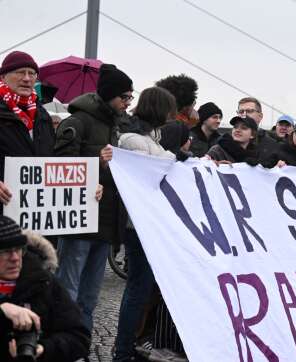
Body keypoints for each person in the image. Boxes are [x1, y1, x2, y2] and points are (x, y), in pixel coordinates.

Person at [54, 63, 133, 331]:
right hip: (79, 222)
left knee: (89, 297)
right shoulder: (78, 121)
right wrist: (95, 161)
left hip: (105, 223)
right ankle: (61, 346)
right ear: (110, 94)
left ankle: (80, 346)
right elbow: (60, 164)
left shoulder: (118, 125)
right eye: (125, 97)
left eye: (130, 97)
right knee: (68, 291)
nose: (128, 103)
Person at [113, 87, 179, 362]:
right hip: (135, 225)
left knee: (144, 287)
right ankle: (124, 348)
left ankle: (133, 343)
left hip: (147, 224)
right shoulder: (132, 139)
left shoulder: (150, 137)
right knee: (138, 287)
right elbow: (157, 164)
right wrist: (177, 159)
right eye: (168, 109)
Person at [0, 216, 90, 362]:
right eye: (5, 251)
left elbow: (79, 338)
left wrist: (44, 349)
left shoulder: (43, 282)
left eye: (18, 249)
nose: (15, 258)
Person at [0, 51, 55, 213]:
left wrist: (85, 185)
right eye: (20, 72)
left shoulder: (43, 115)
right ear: (3, 77)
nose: (27, 78)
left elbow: (55, 157)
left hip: (36, 215)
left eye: (32, 73)